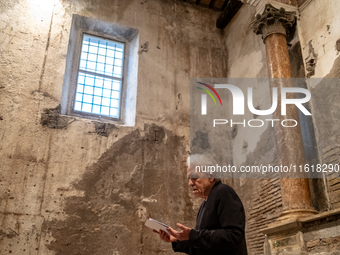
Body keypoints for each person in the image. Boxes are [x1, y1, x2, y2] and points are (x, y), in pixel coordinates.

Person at [154, 154, 248, 255]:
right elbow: (203, 246)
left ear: (211, 176)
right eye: (189, 178)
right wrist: (177, 239)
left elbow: (233, 236)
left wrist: (193, 235)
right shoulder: (204, 204)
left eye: (194, 177)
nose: (190, 183)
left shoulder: (223, 192)